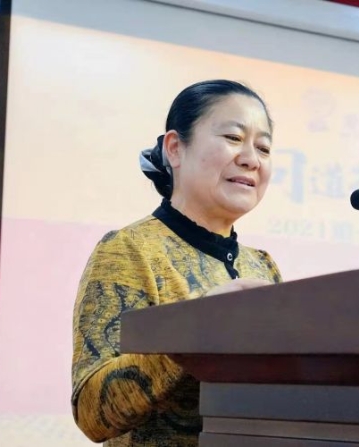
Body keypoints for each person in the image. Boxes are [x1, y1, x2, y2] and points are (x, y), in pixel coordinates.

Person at [71, 80, 283, 446]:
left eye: (263, 147)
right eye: (233, 138)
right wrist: (197, 326)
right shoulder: (130, 250)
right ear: (175, 148)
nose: (252, 158)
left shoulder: (262, 266)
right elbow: (93, 413)